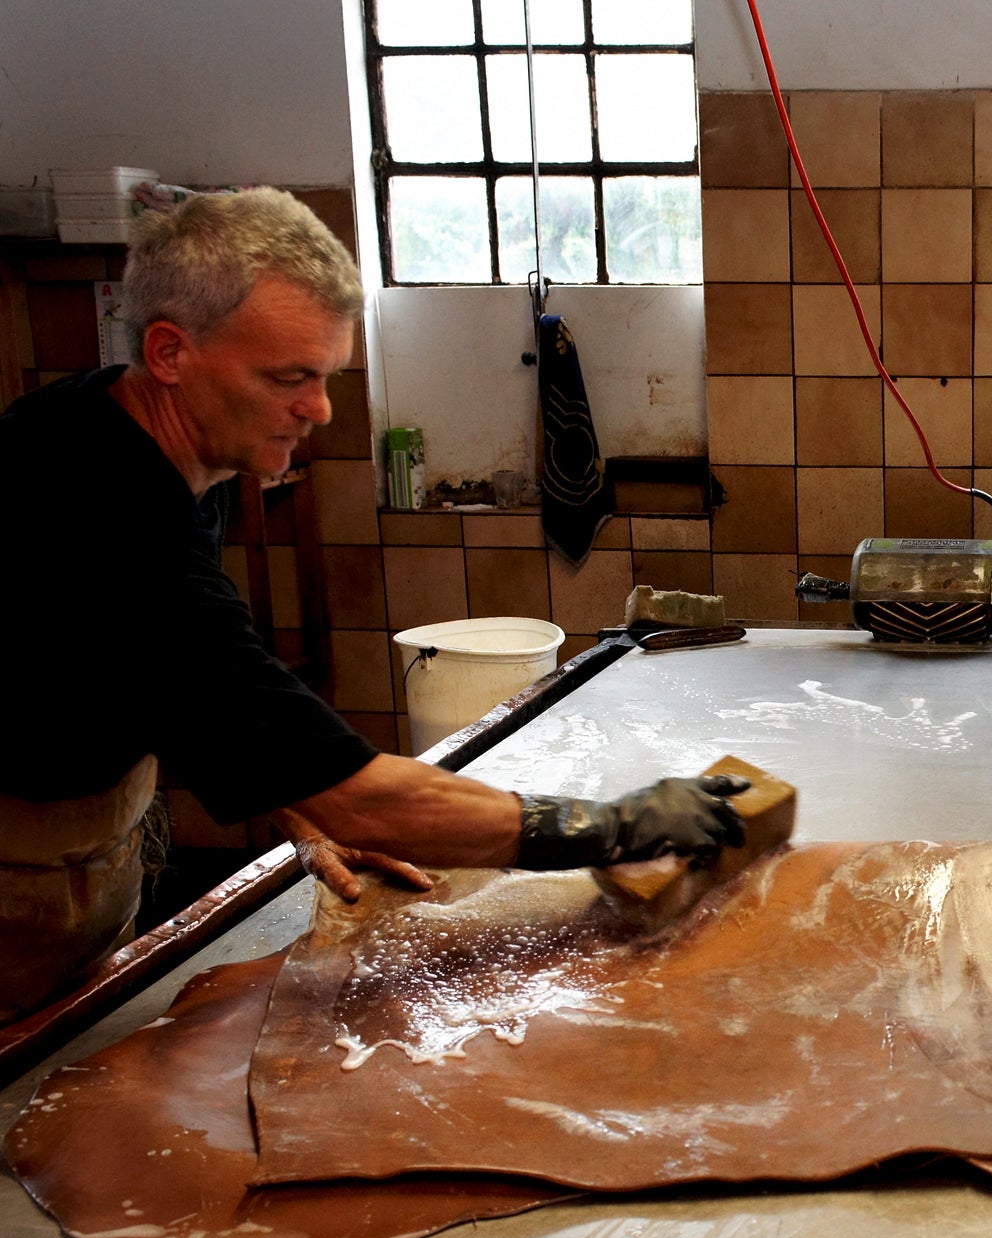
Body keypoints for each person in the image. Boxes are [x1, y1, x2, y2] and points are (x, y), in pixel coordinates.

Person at [0, 189, 746, 1024]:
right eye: (289, 378)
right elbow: (365, 796)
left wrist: (296, 794)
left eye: (324, 376)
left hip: (82, 858)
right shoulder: (98, 510)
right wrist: (610, 824)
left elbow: (181, 685)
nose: (318, 409)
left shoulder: (144, 437)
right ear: (171, 351)